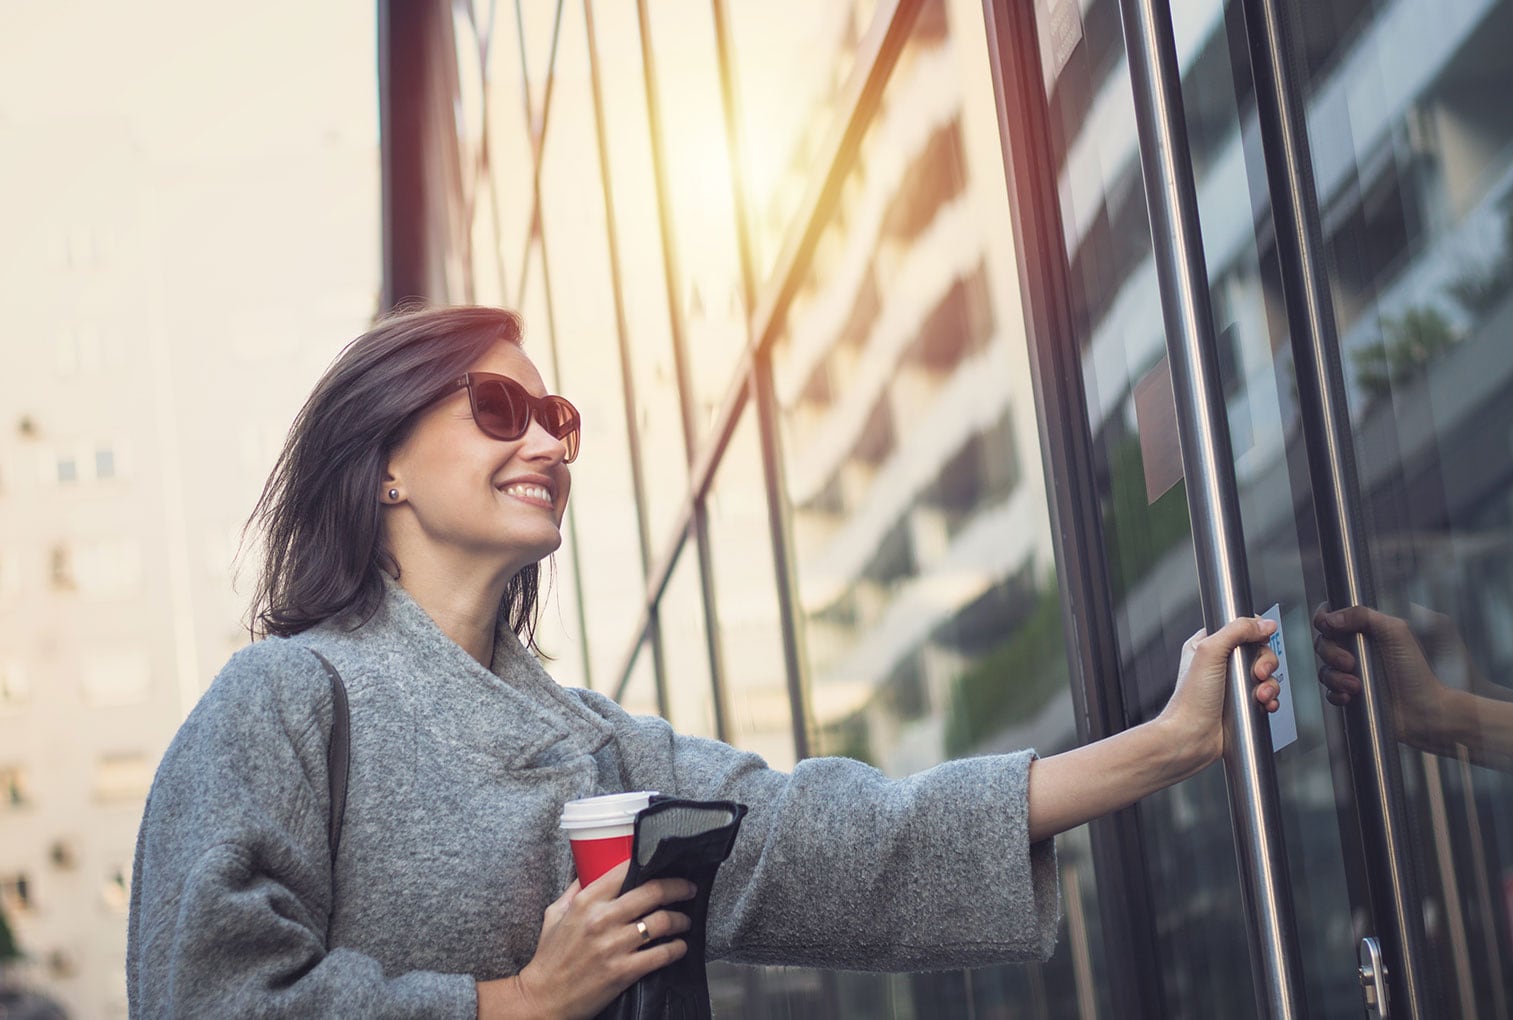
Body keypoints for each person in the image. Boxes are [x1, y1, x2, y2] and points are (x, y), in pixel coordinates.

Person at [127, 305, 1282, 1019]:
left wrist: (1168, 742)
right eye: (496, 406)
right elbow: (209, 995)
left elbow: (842, 839)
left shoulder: (599, 747)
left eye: (556, 417)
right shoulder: (284, 701)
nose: (544, 441)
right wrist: (517, 1005)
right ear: (383, 465)